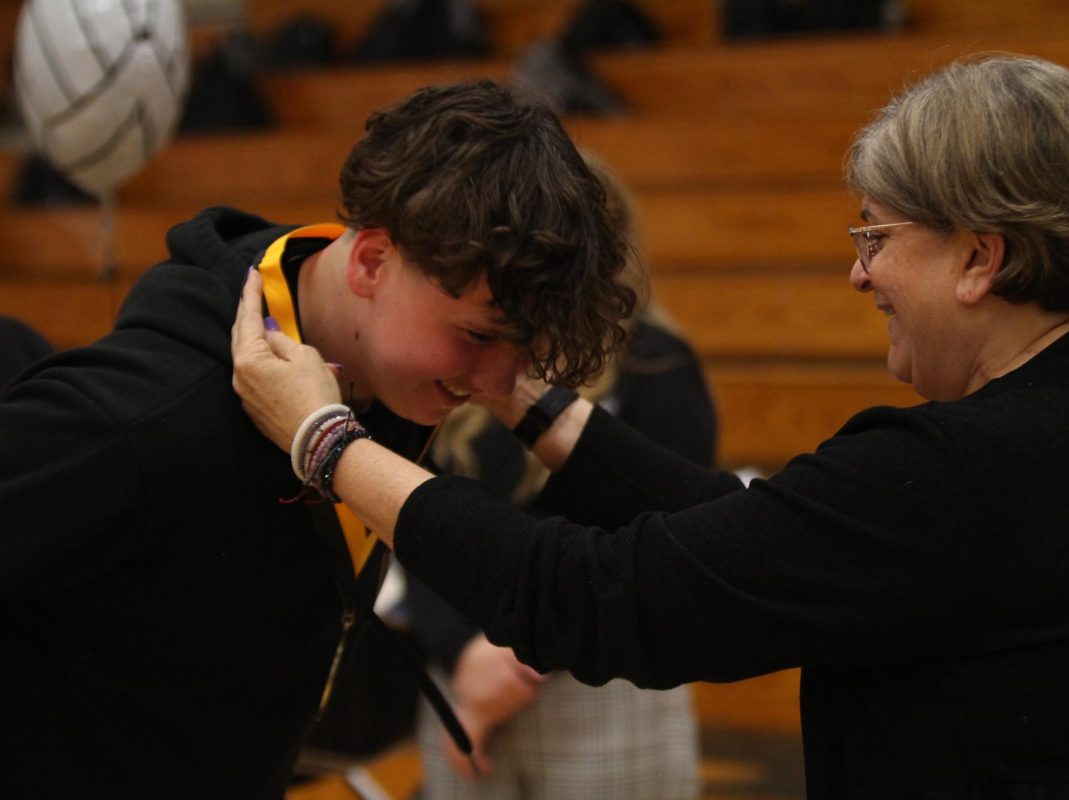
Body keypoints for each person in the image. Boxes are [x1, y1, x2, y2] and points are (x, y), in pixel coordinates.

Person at [231, 54, 1069, 798]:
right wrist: (525, 396)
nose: (860, 274)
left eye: (878, 236)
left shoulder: (968, 469)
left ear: (980, 258)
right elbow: (748, 544)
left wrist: (326, 439)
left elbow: (602, 594)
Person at [0, 80, 633, 798]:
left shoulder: (385, 364)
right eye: (478, 336)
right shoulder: (145, 418)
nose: (494, 382)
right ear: (369, 262)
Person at [407, 151, 713, 798]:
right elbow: (416, 514)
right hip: (463, 679)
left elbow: (652, 541)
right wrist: (464, 656)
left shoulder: (657, 365)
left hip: (601, 689)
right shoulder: (461, 353)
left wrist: (514, 657)